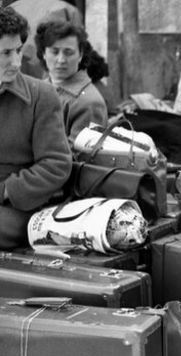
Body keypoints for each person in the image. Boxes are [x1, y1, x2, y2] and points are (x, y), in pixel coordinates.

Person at [0, 6, 72, 250]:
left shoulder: (41, 95)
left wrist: (6, 190)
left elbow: (56, 164)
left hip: (20, 207)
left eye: (18, 50)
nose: (16, 62)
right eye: (6, 53)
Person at [34, 19, 107, 145]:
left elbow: (77, 157)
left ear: (80, 55)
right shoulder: (37, 88)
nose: (61, 60)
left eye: (68, 52)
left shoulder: (89, 103)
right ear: (43, 54)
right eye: (54, 52)